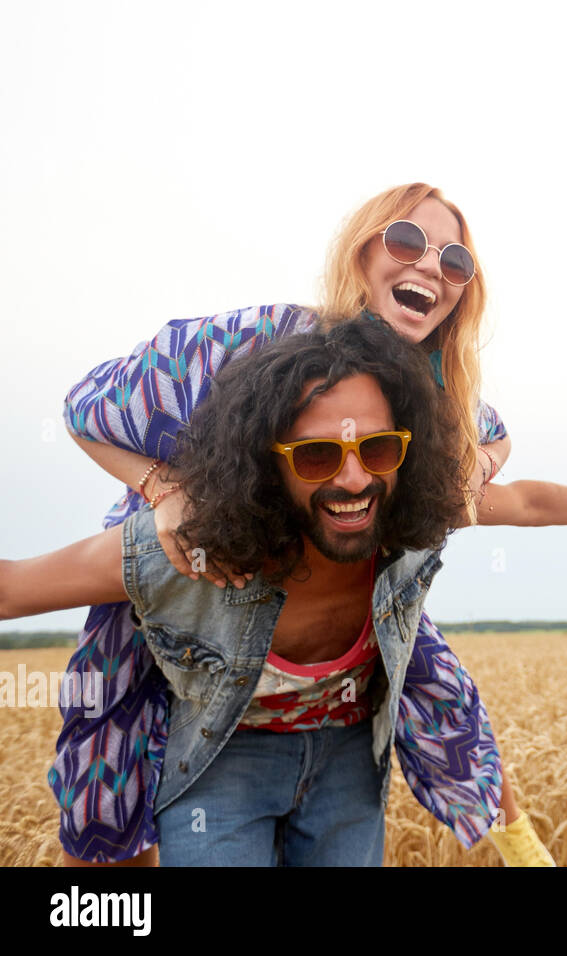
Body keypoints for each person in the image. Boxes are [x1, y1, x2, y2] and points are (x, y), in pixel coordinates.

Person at [54, 183, 567, 866]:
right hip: (191, 583)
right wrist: (163, 489)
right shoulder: (255, 339)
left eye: (455, 262)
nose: (430, 268)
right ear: (361, 252)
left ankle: (524, 852)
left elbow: (495, 441)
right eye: (407, 241)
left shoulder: (431, 390)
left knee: (446, 703)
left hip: (350, 605)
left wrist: (498, 468)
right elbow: (87, 404)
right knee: (112, 756)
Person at [9, 318, 525, 864]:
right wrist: (156, 484)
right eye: (316, 455)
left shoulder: (400, 537)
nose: (352, 479)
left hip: (347, 763)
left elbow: (510, 475)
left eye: (377, 450)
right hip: (221, 766)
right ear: (263, 462)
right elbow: (13, 590)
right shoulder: (184, 545)